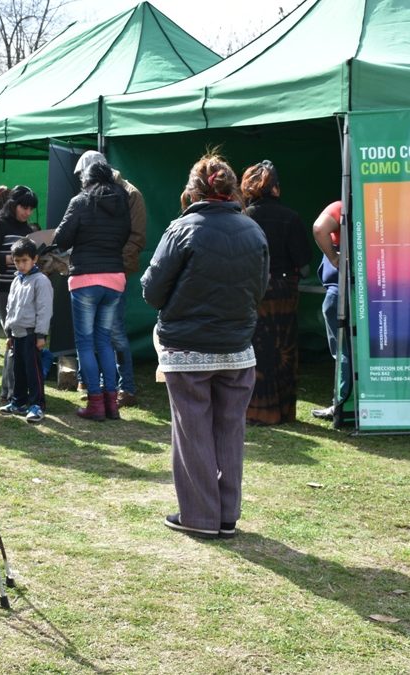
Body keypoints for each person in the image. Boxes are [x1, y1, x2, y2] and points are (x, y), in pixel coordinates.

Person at [142, 153, 268, 539]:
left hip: (187, 348)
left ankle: (198, 515)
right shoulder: (254, 231)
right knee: (230, 431)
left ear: (194, 189)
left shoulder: (182, 229)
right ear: (231, 189)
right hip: (237, 348)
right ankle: (227, 515)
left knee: (193, 431)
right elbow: (259, 289)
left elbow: (151, 290)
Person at [53, 160, 131, 421]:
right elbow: (125, 236)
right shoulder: (122, 201)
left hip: (85, 277)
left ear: (87, 179)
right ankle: (112, 403)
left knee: (85, 344)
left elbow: (61, 239)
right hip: (115, 277)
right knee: (104, 341)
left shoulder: (80, 201)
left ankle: (96, 403)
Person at [73, 151, 147, 408]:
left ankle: (126, 386)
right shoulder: (92, 195)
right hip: (94, 271)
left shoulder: (129, 193)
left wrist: (115, 263)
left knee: (114, 333)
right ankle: (102, 387)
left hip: (114, 272)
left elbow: (136, 237)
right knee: (96, 334)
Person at [240, 160, 309, 425]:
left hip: (253, 289)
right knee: (284, 349)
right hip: (284, 290)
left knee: (256, 347)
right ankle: (284, 412)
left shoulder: (243, 218)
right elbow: (303, 266)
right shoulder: (291, 217)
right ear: (276, 189)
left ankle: (257, 411)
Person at [0, 185, 39, 401]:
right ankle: (9, 391)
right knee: (12, 336)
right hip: (3, 287)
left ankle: (15, 388)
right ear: (13, 204)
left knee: (21, 337)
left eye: (30, 209)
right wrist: (12, 260)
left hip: (25, 287)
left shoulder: (27, 228)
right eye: (24, 207)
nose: (27, 212)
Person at [0, 237, 53, 424]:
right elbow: (10, 308)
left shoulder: (41, 281)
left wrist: (40, 334)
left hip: (31, 334)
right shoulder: (16, 281)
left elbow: (44, 310)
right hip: (17, 333)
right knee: (17, 370)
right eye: (17, 261)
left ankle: (37, 404)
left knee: (33, 371)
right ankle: (18, 401)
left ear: (34, 259)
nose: (21, 265)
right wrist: (9, 332)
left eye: (25, 260)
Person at [311, 200, 350, 419]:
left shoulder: (341, 206)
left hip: (340, 291)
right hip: (373, 293)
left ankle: (342, 403)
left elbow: (319, 228)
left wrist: (334, 257)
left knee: (343, 350)